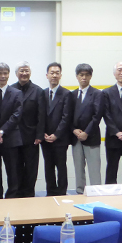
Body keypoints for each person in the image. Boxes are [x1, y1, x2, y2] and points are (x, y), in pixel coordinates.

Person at [11, 62, 45, 197]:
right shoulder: (11, 89)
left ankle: (29, 195)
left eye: (26, 71)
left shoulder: (38, 91)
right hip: (14, 137)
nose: (24, 73)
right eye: (21, 71)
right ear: (16, 73)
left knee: (31, 169)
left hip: (32, 137)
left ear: (30, 73)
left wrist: (39, 135)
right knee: (16, 168)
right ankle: (17, 194)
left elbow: (41, 115)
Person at [0, 63, 23, 199]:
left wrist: (1, 131)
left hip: (11, 139)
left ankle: (11, 198)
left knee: (12, 172)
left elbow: (17, 115)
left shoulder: (17, 93)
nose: (3, 76)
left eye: (5, 73)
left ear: (9, 74)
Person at [70, 63, 104, 194]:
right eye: (81, 75)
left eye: (87, 75)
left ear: (91, 76)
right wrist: (74, 130)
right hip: (76, 138)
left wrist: (86, 133)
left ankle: (96, 193)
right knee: (78, 169)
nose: (84, 78)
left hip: (91, 137)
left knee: (94, 169)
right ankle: (79, 193)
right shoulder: (72, 95)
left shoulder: (97, 94)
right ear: (77, 77)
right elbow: (68, 115)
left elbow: (97, 116)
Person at [42, 62, 73, 196]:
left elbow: (66, 117)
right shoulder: (41, 93)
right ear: (47, 75)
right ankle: (50, 193)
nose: (54, 75)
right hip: (45, 138)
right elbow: (39, 115)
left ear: (60, 75)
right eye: (51, 73)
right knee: (48, 167)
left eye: (57, 73)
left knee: (61, 167)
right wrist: (42, 133)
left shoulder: (66, 94)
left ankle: (61, 193)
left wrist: (56, 134)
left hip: (60, 139)